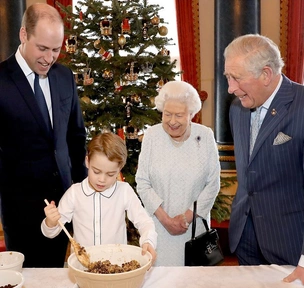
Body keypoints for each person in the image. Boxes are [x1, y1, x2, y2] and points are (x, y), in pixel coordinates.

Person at [0, 3, 87, 267]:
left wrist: (82, 190)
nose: (49, 58)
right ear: (24, 35)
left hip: (63, 202)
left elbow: (75, 136)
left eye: (56, 50)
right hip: (20, 208)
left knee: (57, 277)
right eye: (42, 48)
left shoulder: (64, 77)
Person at [224, 34, 304, 284]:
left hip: (291, 245)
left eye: (236, 78)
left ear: (266, 74)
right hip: (245, 238)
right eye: (228, 77)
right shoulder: (237, 108)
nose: (230, 88)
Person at [135, 80, 221, 266]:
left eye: (179, 115)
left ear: (191, 114)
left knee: (193, 286)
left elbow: (213, 183)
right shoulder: (151, 136)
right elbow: (142, 182)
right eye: (167, 114)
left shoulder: (205, 136)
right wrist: (165, 220)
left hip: (193, 231)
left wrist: (186, 217)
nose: (172, 121)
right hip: (158, 228)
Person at [41, 132, 157, 263]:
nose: (102, 179)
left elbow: (145, 222)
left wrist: (148, 241)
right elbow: (51, 233)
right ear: (87, 161)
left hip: (115, 265)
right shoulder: (74, 193)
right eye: (96, 171)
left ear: (119, 169)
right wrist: (51, 222)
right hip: (83, 267)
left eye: (110, 174)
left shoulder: (124, 191)